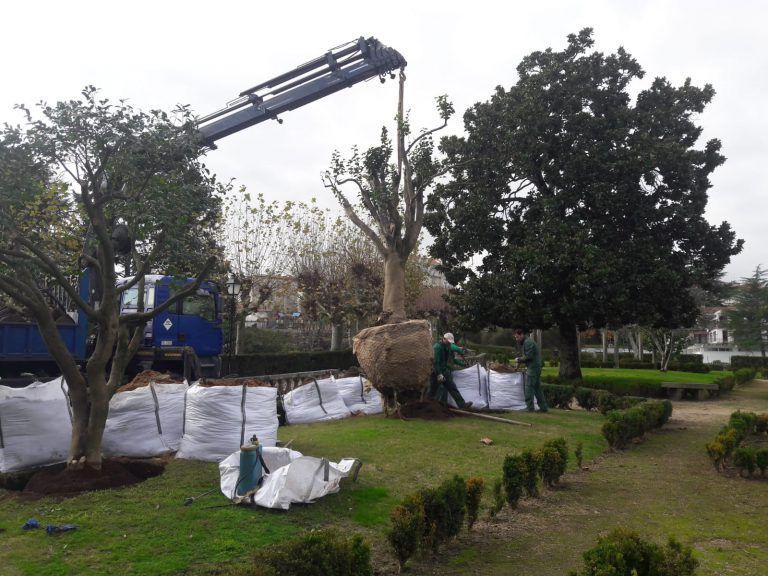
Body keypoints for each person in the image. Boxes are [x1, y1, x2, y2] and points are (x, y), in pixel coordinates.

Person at [428, 332, 473, 409]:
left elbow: (451, 357)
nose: (448, 343)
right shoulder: (437, 347)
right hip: (436, 371)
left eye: (449, 342)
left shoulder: (448, 346)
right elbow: (436, 362)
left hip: (445, 370)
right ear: (443, 338)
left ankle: (462, 405)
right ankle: (427, 406)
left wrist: (460, 351)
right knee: (433, 390)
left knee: (452, 387)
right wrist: (439, 374)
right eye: (447, 341)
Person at [515, 328, 548, 412]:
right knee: (537, 388)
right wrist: (518, 365)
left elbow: (529, 357)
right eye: (516, 337)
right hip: (535, 367)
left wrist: (519, 359)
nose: (517, 339)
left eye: (518, 337)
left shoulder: (528, 343)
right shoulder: (526, 342)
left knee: (529, 387)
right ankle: (543, 408)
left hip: (533, 368)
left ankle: (529, 408)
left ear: (522, 334)